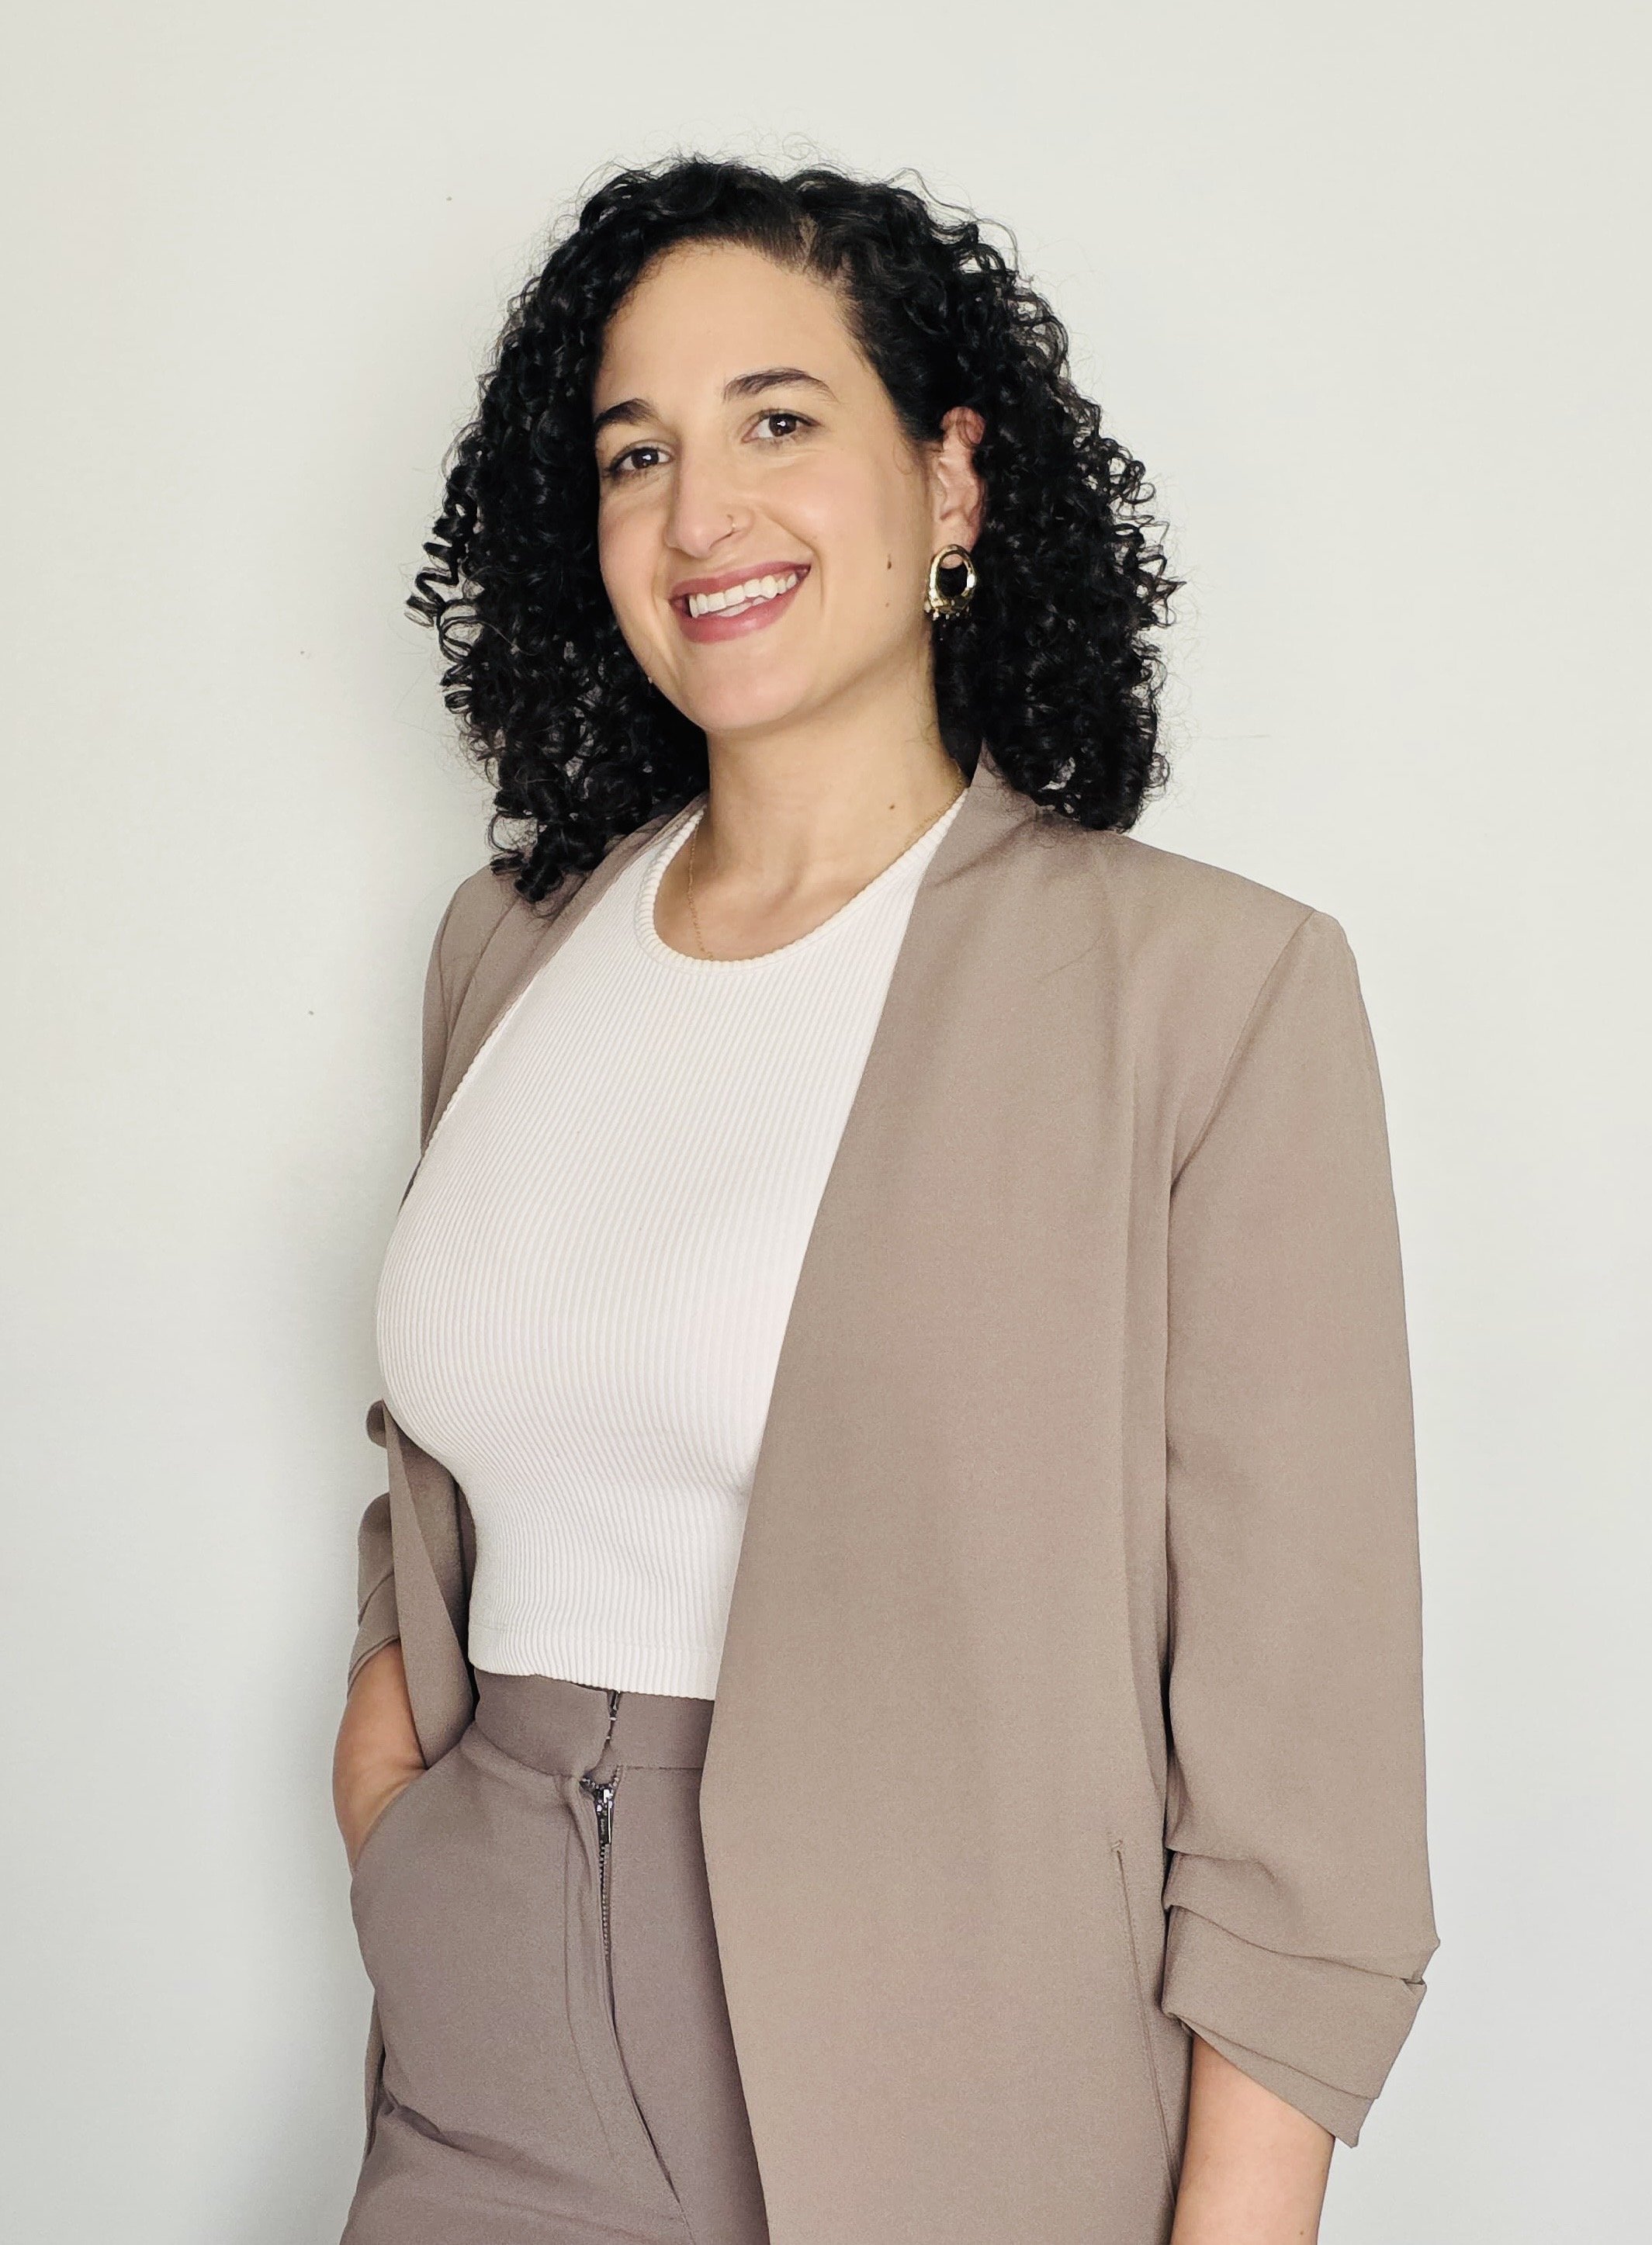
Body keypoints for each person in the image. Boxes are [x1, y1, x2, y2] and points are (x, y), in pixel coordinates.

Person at [331, 155, 1439, 2245]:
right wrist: (392, 1781)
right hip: (474, 2047)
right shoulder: (509, 947)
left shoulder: (1202, 990)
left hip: (937, 2073)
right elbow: (433, 1440)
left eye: (775, 421)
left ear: (949, 482)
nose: (696, 514)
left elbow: (1307, 1767)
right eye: (633, 451)